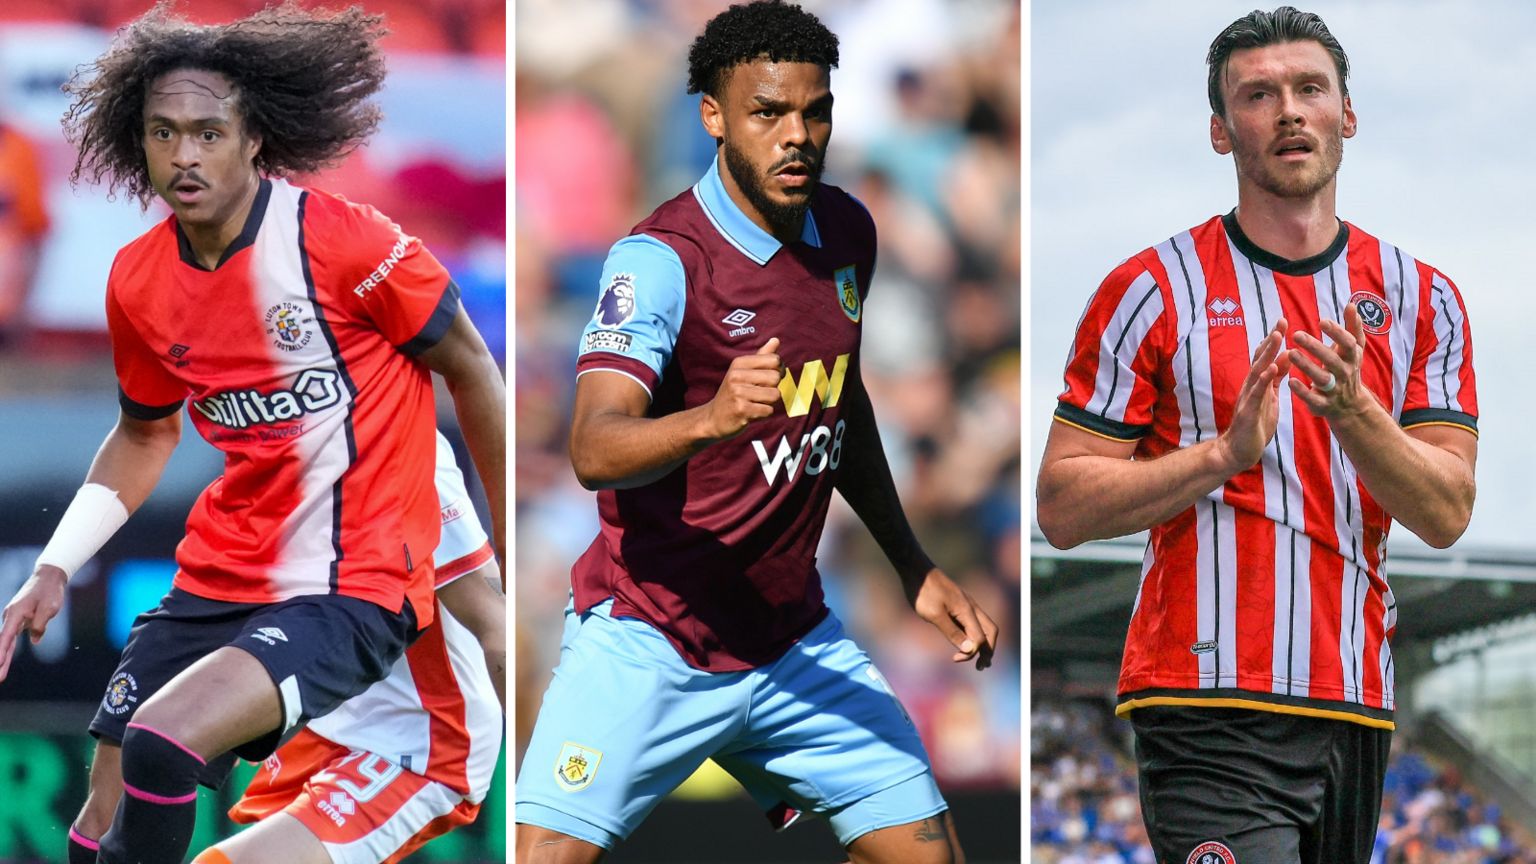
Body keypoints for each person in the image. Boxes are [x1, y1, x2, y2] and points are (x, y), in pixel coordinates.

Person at [0, 5, 505, 864]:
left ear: (253, 140)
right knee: (101, 814)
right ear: (139, 142)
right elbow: (143, 431)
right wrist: (54, 563)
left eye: (207, 132)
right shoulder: (138, 280)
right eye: (164, 133)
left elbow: (473, 370)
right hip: (225, 575)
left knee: (165, 745)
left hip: (350, 597)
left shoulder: (346, 248)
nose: (185, 155)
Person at [514, 2, 997, 863]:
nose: (797, 136)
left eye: (815, 112)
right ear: (713, 117)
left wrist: (913, 565)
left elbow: (839, 405)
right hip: (651, 636)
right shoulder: (659, 260)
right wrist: (709, 419)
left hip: (791, 641)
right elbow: (593, 448)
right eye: (768, 113)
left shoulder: (848, 232)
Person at [1035, 7, 1477, 864]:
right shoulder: (1152, 287)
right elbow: (1060, 505)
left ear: (1346, 114)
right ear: (1218, 129)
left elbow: (1448, 510)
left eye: (1310, 89)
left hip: (1353, 698)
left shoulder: (1424, 298)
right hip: (1203, 700)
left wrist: (1354, 413)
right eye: (1258, 94)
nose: (1288, 111)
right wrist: (1221, 456)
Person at [201, 431, 505, 864]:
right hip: (330, 722)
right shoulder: (271, 439)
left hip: (424, 738)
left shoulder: (408, 448)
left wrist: (532, 761)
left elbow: (492, 620)